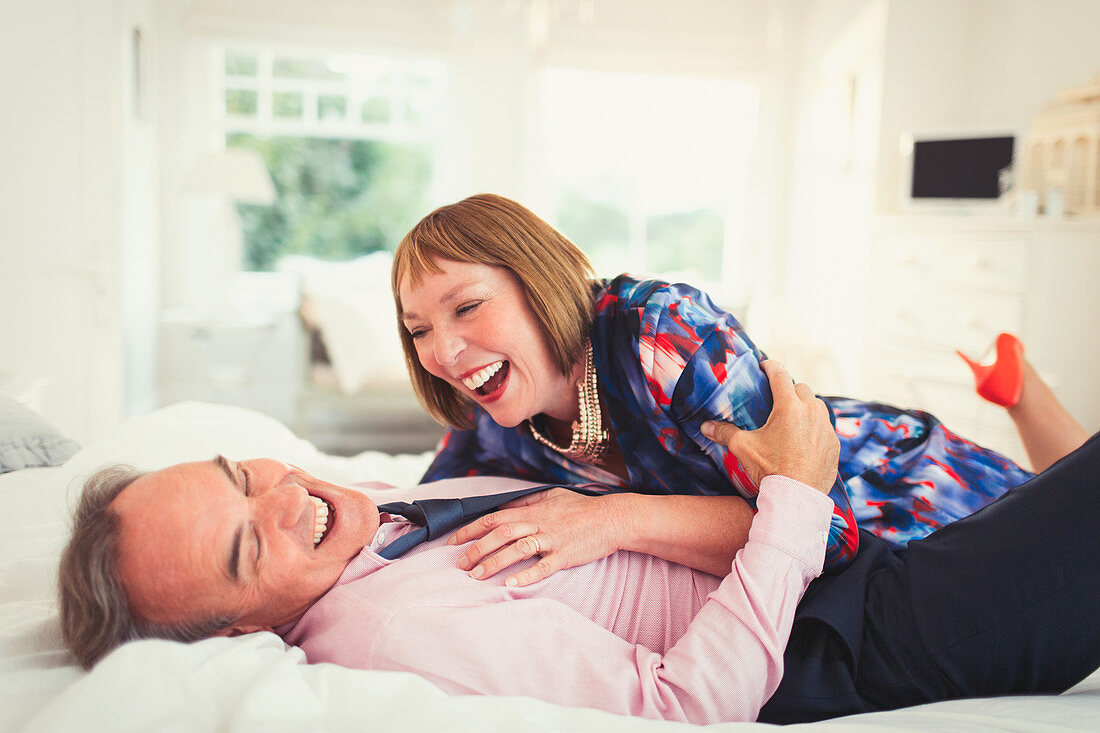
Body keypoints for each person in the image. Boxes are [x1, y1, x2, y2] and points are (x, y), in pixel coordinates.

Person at [57, 360, 1100, 724]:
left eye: (249, 474)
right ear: (240, 626)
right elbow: (685, 708)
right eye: (247, 545)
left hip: (829, 568)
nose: (283, 497)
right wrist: (794, 490)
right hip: (849, 640)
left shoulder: (371, 522)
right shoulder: (385, 633)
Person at [392, 193, 1085, 586]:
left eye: (467, 307)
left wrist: (611, 518)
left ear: (535, 277)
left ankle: (1019, 385)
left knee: (1076, 512)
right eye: (418, 329)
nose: (443, 353)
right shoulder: (487, 422)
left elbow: (822, 528)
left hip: (892, 480)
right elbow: (409, 519)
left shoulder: (658, 332)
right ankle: (1016, 382)